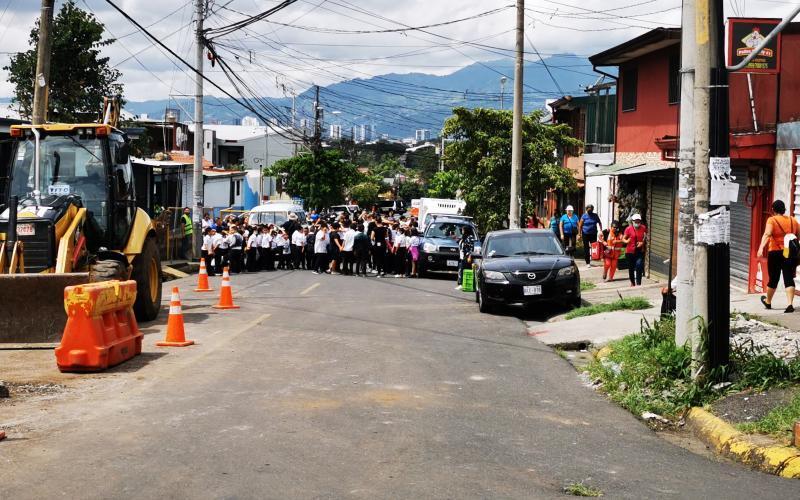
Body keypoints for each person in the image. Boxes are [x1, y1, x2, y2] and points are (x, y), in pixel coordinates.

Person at [757, 200, 798, 313]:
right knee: (788, 277)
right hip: (789, 253)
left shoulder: (772, 220)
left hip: (775, 252)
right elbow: (797, 236)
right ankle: (790, 304)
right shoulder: (792, 220)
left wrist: (761, 248)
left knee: (774, 278)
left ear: (773, 210)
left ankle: (768, 302)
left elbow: (767, 234)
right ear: (784, 209)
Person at [622, 214, 647, 287]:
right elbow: (623, 239)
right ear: (632, 221)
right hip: (630, 251)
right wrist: (627, 241)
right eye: (635, 221)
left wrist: (642, 243)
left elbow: (645, 237)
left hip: (639, 251)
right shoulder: (628, 229)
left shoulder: (643, 228)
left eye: (638, 221)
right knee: (631, 268)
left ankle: (638, 283)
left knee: (639, 265)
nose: (637, 223)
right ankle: (632, 283)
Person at [456, 225, 476, 290]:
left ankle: (463, 284)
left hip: (467, 256)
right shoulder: (464, 237)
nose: (462, 231)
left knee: (465, 269)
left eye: (463, 230)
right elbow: (461, 244)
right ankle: (461, 283)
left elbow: (471, 248)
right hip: (462, 256)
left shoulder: (470, 237)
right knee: (462, 269)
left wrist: (469, 256)